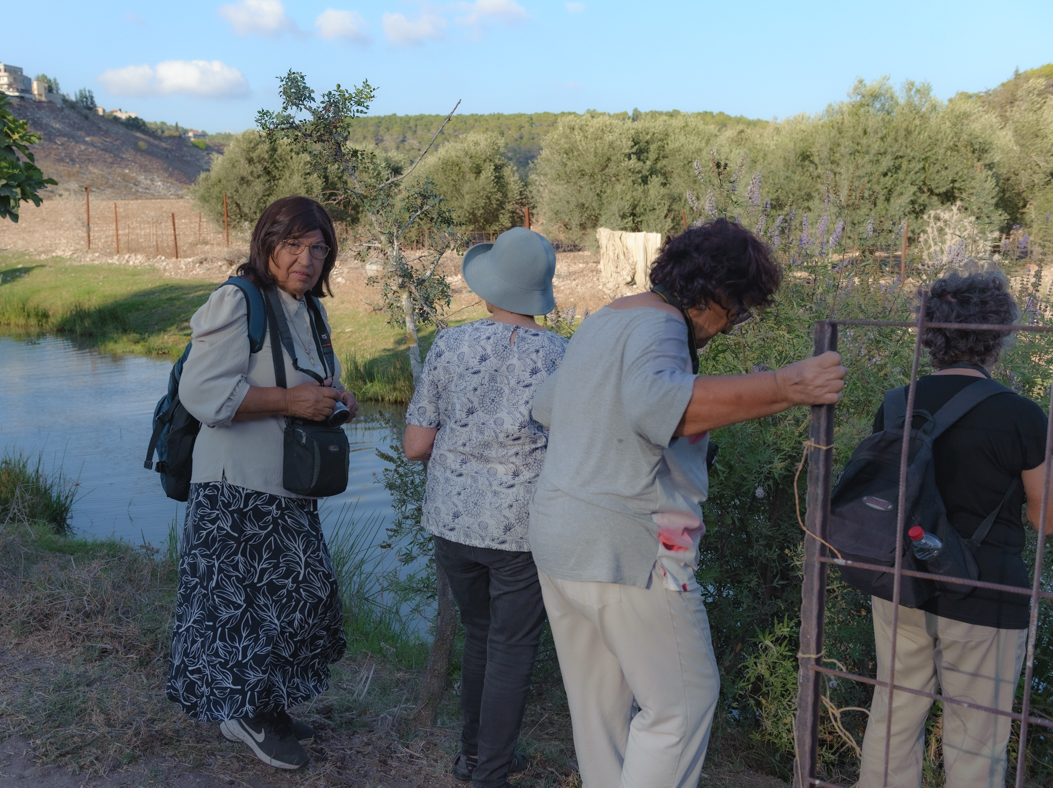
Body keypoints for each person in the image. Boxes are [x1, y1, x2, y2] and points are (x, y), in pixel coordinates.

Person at [527, 218, 847, 788]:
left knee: (600, 709)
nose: (730, 326)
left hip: (557, 534)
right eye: (739, 310)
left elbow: (551, 403)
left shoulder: (609, 317)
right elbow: (659, 405)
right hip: (626, 547)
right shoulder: (665, 325)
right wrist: (785, 386)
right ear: (716, 294)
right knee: (683, 703)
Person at [166, 196, 359, 771]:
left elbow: (305, 380)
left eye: (318, 248)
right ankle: (247, 714)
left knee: (295, 600)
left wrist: (333, 396)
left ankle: (259, 704)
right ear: (266, 244)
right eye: (293, 245)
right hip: (235, 487)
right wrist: (291, 400)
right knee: (244, 609)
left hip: (287, 486)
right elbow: (200, 394)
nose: (306, 258)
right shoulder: (238, 300)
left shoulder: (307, 309)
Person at [858, 272, 1049, 788]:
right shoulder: (1023, 416)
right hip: (986, 590)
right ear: (998, 336)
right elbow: (1044, 516)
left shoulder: (897, 403)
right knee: (977, 735)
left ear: (929, 335)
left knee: (893, 715)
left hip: (902, 581)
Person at [404, 227, 569, 788]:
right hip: (522, 528)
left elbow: (415, 446)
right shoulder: (561, 354)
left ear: (490, 285)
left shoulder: (450, 344)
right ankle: (490, 772)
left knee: (479, 633)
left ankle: (473, 756)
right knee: (512, 647)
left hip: (452, 523)